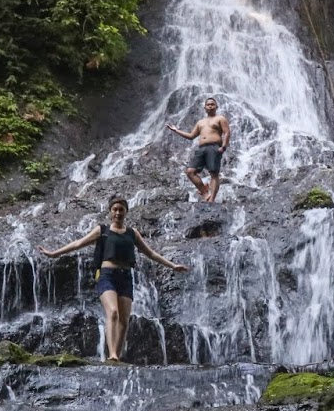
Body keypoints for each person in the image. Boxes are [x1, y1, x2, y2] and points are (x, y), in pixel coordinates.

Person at [36, 197, 188, 363]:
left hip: (126, 277)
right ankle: (112, 354)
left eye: (121, 209)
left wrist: (172, 266)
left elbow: (151, 253)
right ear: (110, 211)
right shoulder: (103, 230)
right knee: (113, 312)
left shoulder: (132, 233)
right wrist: (54, 253)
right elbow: (78, 243)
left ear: (126, 211)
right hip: (107, 275)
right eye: (114, 209)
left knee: (124, 319)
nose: (117, 213)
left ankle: (118, 354)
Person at [166, 96, 231, 202]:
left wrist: (224, 146)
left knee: (214, 173)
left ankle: (212, 200)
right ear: (204, 107)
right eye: (208, 104)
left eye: (212, 104)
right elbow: (191, 136)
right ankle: (205, 193)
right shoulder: (200, 122)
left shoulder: (220, 118)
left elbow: (227, 132)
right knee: (190, 171)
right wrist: (176, 130)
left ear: (216, 106)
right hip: (201, 148)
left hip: (214, 147)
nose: (210, 106)